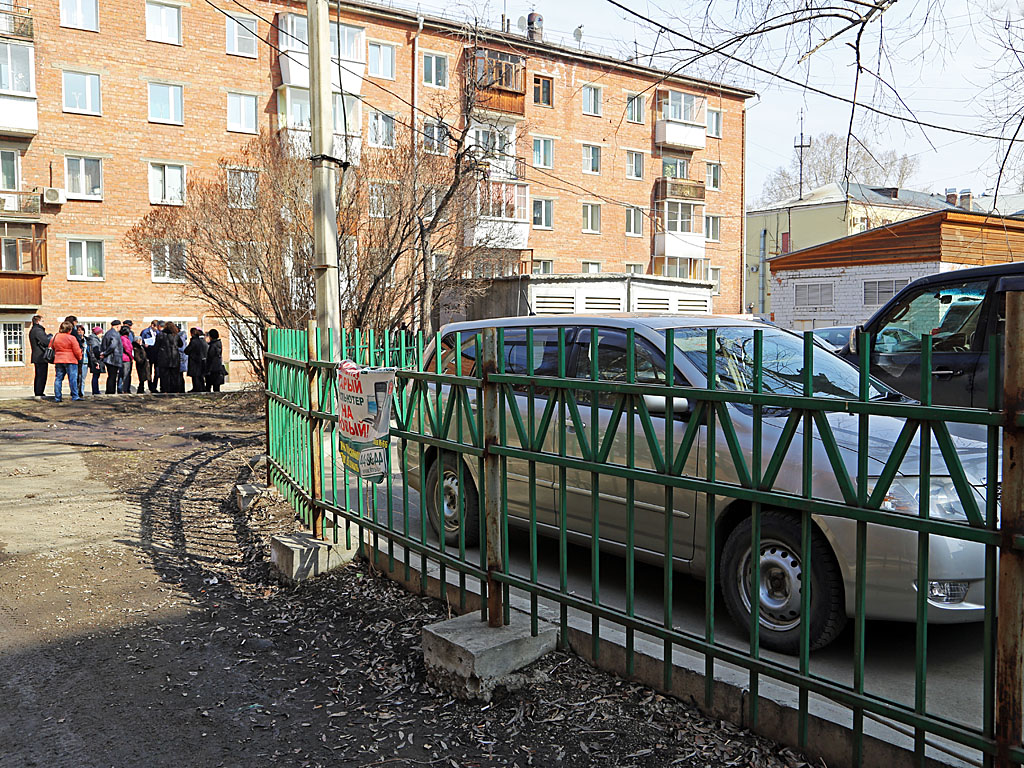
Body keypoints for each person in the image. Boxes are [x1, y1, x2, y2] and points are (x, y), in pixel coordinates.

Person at [48, 321, 82, 403]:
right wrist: (79, 357)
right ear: (70, 330)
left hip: (59, 359)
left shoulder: (55, 337)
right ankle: (75, 396)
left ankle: (58, 397)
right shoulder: (71, 338)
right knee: (73, 379)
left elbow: (51, 346)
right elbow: (77, 350)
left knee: (58, 379)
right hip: (71, 360)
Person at [153, 321, 183, 393]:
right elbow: (181, 344)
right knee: (175, 376)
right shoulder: (176, 335)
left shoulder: (160, 335)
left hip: (164, 358)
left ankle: (165, 390)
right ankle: (175, 390)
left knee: (164, 376)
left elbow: (156, 347)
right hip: (174, 358)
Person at [99, 320, 124, 395]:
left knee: (111, 376)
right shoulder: (114, 334)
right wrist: (106, 353)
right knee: (112, 376)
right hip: (113, 358)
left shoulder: (108, 333)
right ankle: (110, 391)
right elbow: (113, 345)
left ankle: (110, 391)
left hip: (110, 358)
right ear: (117, 326)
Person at [29, 315, 49, 398]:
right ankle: (39, 392)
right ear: (37, 321)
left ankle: (39, 391)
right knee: (41, 375)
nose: (43, 323)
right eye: (42, 321)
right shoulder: (38, 330)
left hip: (37, 356)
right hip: (40, 356)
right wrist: (49, 337)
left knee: (39, 375)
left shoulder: (34, 330)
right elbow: (45, 341)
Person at [183, 327, 209, 392]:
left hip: (194, 361)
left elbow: (187, 350)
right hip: (201, 360)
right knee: (200, 376)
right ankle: (202, 387)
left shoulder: (193, 341)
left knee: (195, 376)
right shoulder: (202, 341)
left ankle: (196, 388)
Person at [141, 320, 161, 393]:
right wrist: (145, 345)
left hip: (156, 354)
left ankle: (154, 386)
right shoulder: (145, 332)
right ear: (152, 325)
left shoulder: (158, 332)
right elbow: (141, 342)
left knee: (157, 372)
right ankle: (150, 386)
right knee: (149, 371)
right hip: (148, 353)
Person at [205, 329, 225, 393]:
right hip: (218, 366)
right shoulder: (219, 344)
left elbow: (210, 356)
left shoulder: (212, 345)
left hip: (212, 368)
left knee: (209, 385)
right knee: (216, 386)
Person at [86, 326, 103, 395]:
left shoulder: (94, 339)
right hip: (95, 360)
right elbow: (94, 351)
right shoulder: (94, 340)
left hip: (95, 359)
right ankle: (95, 391)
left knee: (96, 375)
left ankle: (96, 390)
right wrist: (96, 361)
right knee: (96, 376)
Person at [74, 323, 88, 399]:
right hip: (77, 361)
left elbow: (90, 350)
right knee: (76, 377)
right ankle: (75, 392)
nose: (80, 332)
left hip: (85, 360)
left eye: (81, 330)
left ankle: (81, 392)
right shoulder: (75, 339)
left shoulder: (86, 339)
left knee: (82, 378)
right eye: (78, 330)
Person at [119, 325, 134, 393]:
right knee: (126, 375)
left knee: (123, 374)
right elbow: (127, 348)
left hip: (125, 358)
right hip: (126, 359)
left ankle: (124, 389)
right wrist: (131, 357)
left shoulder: (124, 338)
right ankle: (125, 389)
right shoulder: (124, 339)